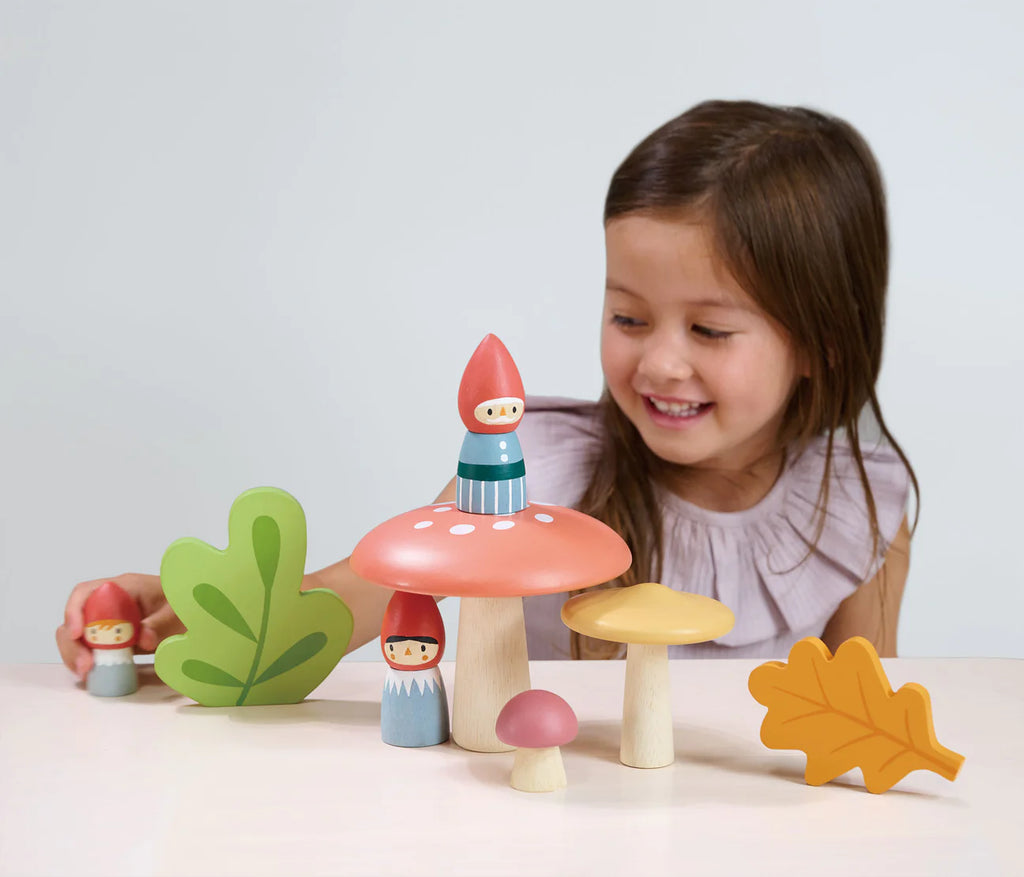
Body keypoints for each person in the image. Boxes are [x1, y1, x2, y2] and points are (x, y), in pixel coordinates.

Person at [56, 99, 916, 679]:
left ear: (823, 347)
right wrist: (190, 620)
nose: (659, 363)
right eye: (628, 317)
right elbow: (358, 597)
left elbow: (852, 721)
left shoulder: (862, 505)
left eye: (709, 330)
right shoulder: (530, 473)